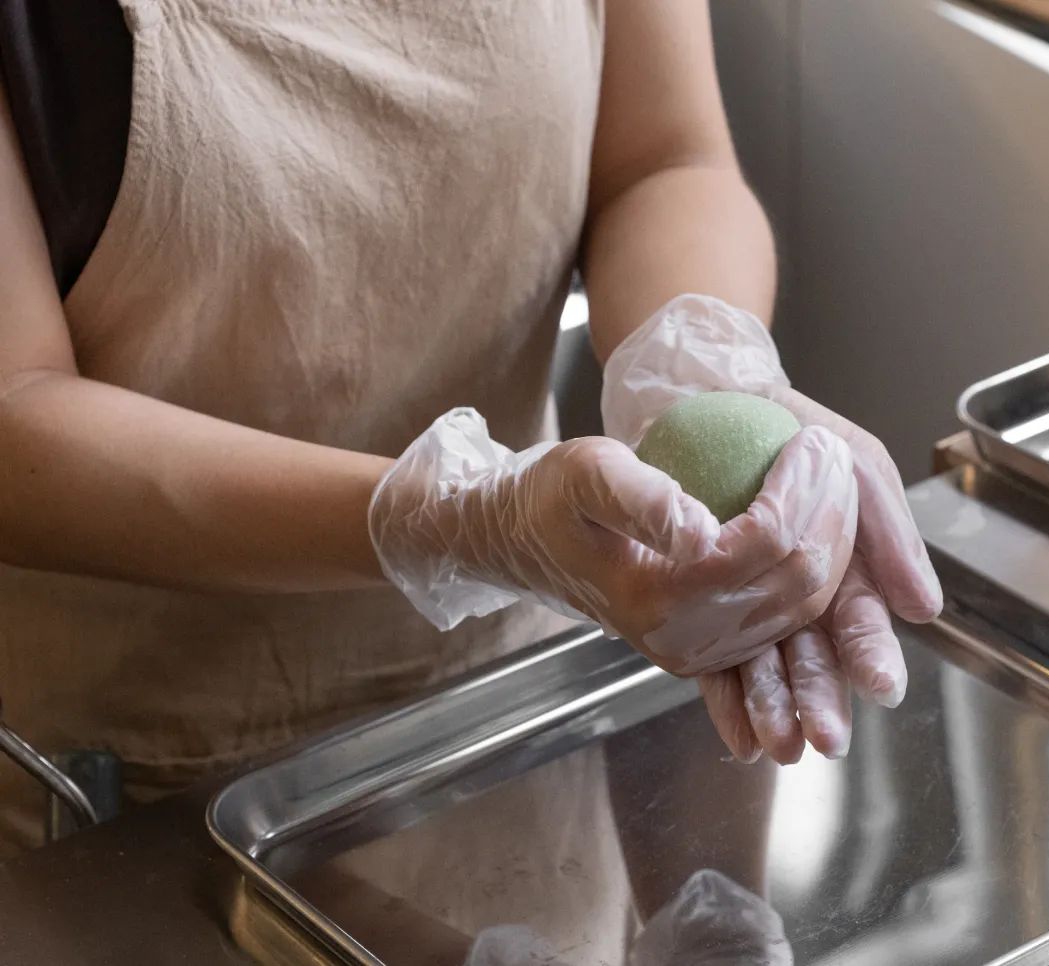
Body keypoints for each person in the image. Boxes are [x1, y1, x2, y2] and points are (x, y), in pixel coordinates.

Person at [0, 0, 942, 868]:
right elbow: (15, 403)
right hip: (139, 798)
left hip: (507, 715)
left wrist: (700, 367)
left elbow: (662, 159)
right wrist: (455, 519)